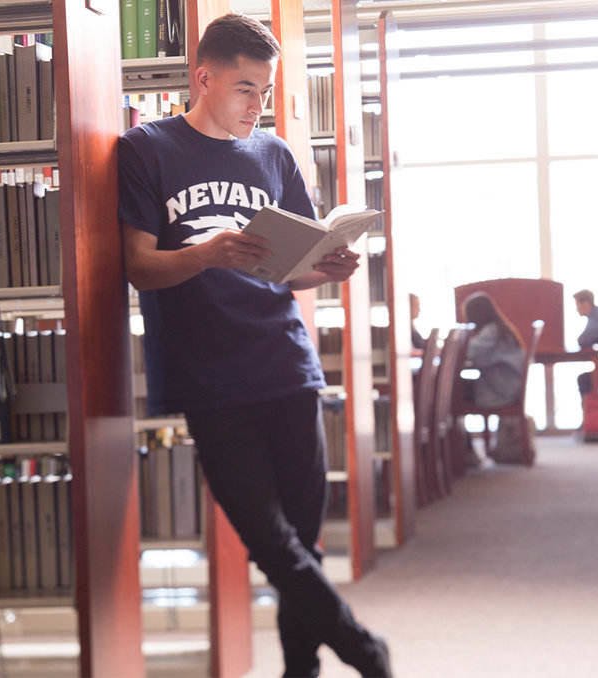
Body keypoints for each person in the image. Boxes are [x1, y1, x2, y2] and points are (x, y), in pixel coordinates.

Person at [118, 13, 392, 678]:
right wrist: (208, 254)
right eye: (244, 89)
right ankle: (363, 647)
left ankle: (303, 670)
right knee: (269, 542)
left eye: (264, 91)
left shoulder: (274, 155)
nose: (257, 105)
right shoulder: (146, 150)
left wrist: (322, 268)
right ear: (203, 78)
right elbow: (139, 267)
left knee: (302, 541)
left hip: (287, 364)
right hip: (208, 376)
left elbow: (288, 266)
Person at [461, 292, 525, 409]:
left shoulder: (491, 332)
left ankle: (448, 426)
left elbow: (467, 352)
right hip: (508, 386)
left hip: (500, 391)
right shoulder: (499, 328)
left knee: (449, 391)